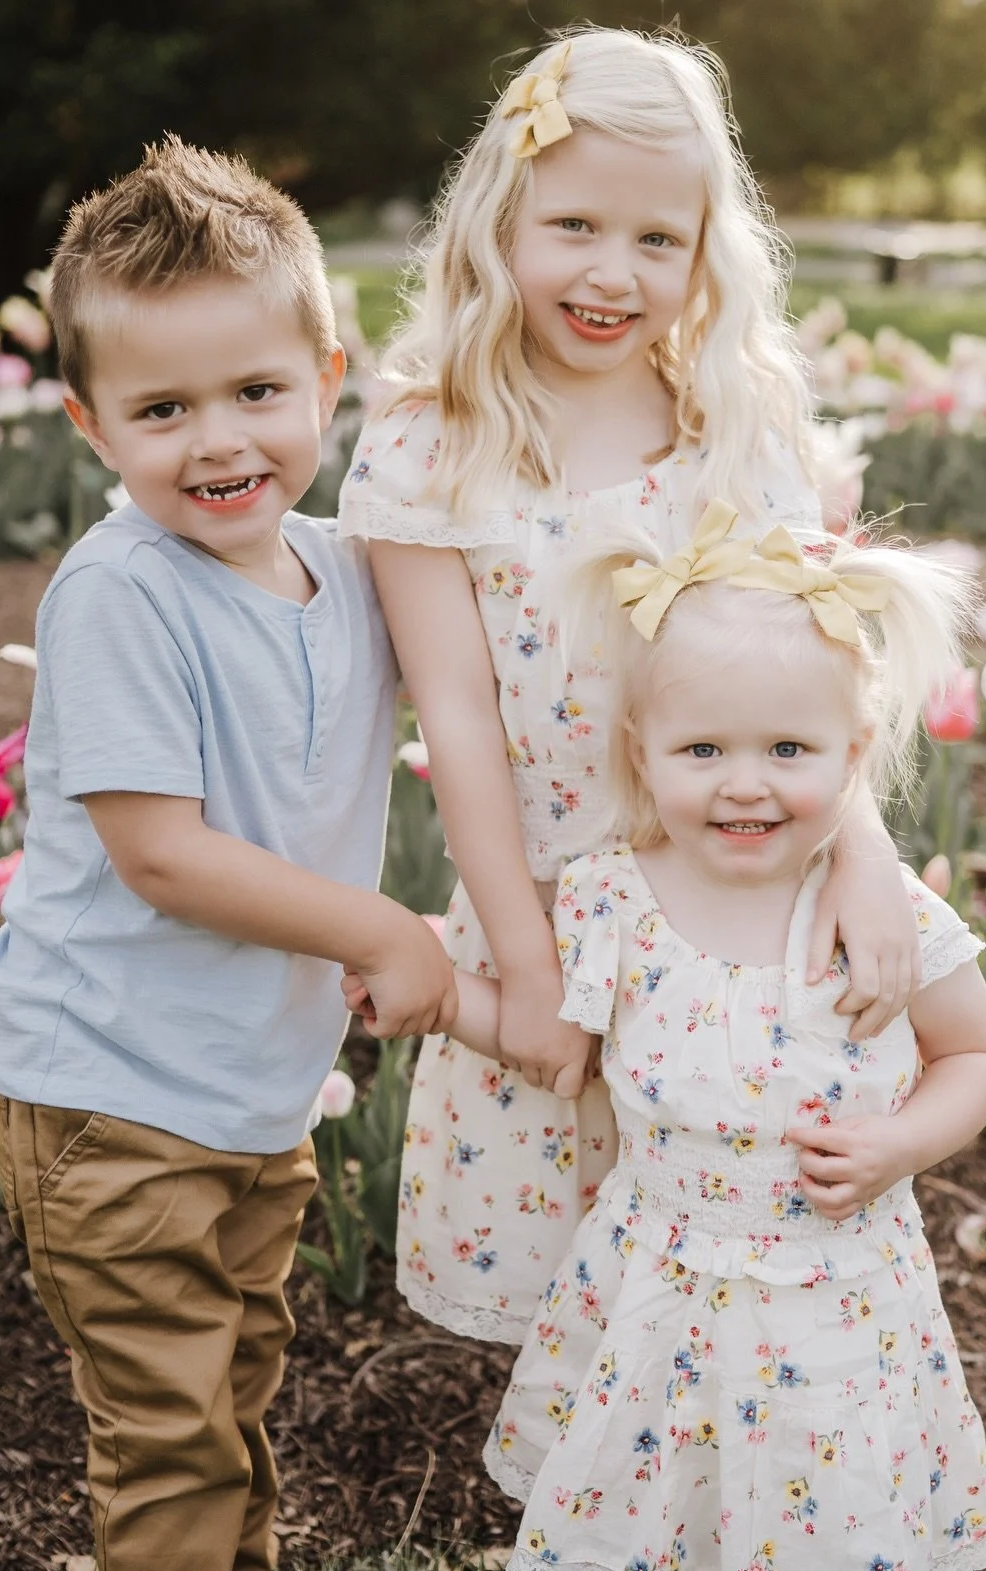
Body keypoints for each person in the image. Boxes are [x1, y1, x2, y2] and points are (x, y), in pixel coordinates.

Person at [353, 505, 986, 1571]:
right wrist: (437, 991)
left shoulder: (877, 914)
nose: (747, 783)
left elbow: (977, 1054)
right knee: (677, 1492)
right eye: (705, 749)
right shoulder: (615, 901)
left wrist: (900, 1144)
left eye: (789, 749)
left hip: (839, 1281)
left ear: (854, 754)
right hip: (671, 1274)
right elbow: (553, 1050)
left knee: (823, 1489)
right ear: (640, 752)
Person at [0, 136, 456, 1571]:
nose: (221, 440)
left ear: (330, 379)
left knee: (236, 1371)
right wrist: (380, 925)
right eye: (164, 409)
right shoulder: (121, 594)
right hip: (109, 1095)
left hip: (245, 1090)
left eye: (259, 387)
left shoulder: (335, 566)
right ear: (93, 430)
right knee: (168, 1416)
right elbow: (165, 858)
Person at [337, 30, 924, 1483]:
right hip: (547, 888)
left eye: (656, 238)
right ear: (502, 225)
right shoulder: (433, 440)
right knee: (586, 1245)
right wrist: (528, 963)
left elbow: (817, 672)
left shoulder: (729, 421)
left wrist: (865, 853)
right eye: (575, 227)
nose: (611, 271)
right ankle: (599, 1526)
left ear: (708, 251)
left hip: (732, 894)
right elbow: (457, 720)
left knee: (736, 1214)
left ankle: (754, 1506)